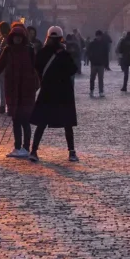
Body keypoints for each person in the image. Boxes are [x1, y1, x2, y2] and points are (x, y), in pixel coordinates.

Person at [0, 25, 39, 158]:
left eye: (20, 37)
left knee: (25, 120)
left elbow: (38, 68)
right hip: (13, 90)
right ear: (12, 38)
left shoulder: (29, 50)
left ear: (23, 38)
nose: (17, 39)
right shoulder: (8, 51)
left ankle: (25, 148)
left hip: (26, 90)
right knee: (16, 119)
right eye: (15, 37)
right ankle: (18, 147)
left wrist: (37, 84)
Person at [29, 26, 79, 162]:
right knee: (67, 123)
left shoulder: (42, 52)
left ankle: (33, 150)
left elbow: (36, 67)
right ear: (61, 38)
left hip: (48, 90)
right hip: (64, 91)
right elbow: (73, 69)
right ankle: (72, 151)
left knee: (42, 122)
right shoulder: (64, 53)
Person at [0, 21, 11, 114]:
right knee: (5, 87)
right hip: (4, 65)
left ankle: (5, 106)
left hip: (5, 66)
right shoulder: (4, 38)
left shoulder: (7, 39)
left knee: (5, 87)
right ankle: (4, 106)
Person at [87, 30, 110, 97]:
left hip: (101, 64)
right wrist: (91, 59)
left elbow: (106, 55)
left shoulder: (104, 44)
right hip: (94, 63)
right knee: (92, 78)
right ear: (96, 36)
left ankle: (101, 91)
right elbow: (88, 52)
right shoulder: (92, 44)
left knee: (101, 79)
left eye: (100, 36)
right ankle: (91, 90)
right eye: (98, 36)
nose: (99, 37)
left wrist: (106, 64)